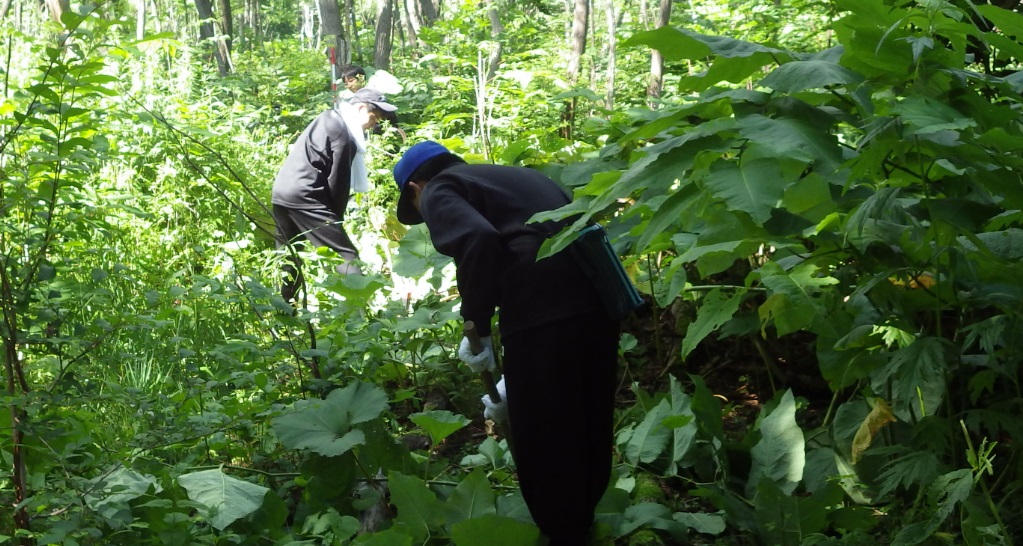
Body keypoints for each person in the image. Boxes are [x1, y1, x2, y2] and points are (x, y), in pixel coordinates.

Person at [391, 141, 621, 545]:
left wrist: (476, 323)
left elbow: (478, 239)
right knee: (586, 417)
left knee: (543, 432)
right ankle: (581, 524)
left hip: (539, 307)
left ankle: (564, 534)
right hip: (598, 300)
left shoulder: (441, 188)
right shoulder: (519, 178)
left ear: (415, 188)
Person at [271, 88, 397, 301]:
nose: (373, 124)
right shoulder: (344, 134)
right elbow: (337, 184)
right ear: (359, 108)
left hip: (282, 191)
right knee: (346, 256)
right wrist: (335, 222)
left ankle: (284, 314)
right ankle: (361, 315)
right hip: (306, 195)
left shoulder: (327, 117)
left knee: (289, 255)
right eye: (374, 118)